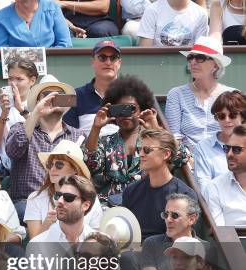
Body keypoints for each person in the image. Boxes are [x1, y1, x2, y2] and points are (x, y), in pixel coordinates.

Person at [84, 75, 190, 204]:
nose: (126, 115)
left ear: (141, 109)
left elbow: (182, 156)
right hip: (111, 207)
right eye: (120, 109)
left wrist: (156, 129)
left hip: (148, 203)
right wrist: (96, 128)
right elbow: (90, 165)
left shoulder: (155, 141)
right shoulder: (105, 142)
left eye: (131, 108)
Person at [6, 76, 86, 222]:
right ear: (37, 102)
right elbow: (13, 151)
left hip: (66, 201)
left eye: (58, 95)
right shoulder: (20, 128)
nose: (53, 98)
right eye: (47, 95)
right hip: (27, 202)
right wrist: (36, 113)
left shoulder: (78, 136)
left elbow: (83, 176)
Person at [122, 129, 197, 240]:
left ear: (166, 154)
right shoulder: (131, 191)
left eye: (147, 150)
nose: (141, 154)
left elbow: (183, 238)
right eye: (139, 149)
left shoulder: (185, 194)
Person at [165, 36, 234, 151]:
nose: (193, 62)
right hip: (188, 163)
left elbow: (238, 135)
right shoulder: (176, 94)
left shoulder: (231, 94)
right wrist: (188, 163)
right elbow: (174, 138)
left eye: (200, 58)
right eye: (191, 57)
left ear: (216, 65)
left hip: (225, 160)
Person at [25, 140, 102, 238]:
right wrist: (47, 223)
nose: (52, 169)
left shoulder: (91, 200)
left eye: (59, 165)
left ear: (75, 169)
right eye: (50, 164)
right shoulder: (35, 198)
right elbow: (34, 246)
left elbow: (96, 241)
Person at [0, 57, 38, 175]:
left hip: (33, 165)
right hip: (5, 167)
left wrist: (21, 109)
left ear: (32, 80)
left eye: (19, 79)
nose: (13, 84)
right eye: (10, 78)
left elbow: (42, 135)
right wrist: (4, 113)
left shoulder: (39, 103)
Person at [63, 40, 121, 135]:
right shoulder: (75, 96)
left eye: (113, 58)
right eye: (102, 57)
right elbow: (68, 137)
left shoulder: (132, 95)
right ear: (93, 62)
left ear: (119, 63)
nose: (108, 62)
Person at [141, 194, 203, 270]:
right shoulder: (152, 244)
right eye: (166, 215)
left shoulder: (206, 248)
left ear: (192, 219)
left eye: (175, 215)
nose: (168, 220)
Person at [193, 90, 245, 189]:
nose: (227, 120)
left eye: (232, 115)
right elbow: (204, 188)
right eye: (221, 116)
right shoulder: (203, 147)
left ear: (242, 116)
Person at [30, 175, 97, 243]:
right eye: (58, 195)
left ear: (85, 205)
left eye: (68, 197)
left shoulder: (100, 244)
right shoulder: (40, 243)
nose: (60, 201)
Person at [204, 125, 246, 226]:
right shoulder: (214, 188)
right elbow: (221, 235)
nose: (229, 154)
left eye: (236, 149)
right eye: (227, 148)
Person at [0, 0, 71, 47]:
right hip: (17, 71)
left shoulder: (53, 8)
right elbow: (1, 51)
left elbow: (65, 44)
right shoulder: (1, 16)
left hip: (52, 67)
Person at [137, 0, 208, 47]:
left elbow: (199, 53)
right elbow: (146, 52)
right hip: (158, 65)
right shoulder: (151, 10)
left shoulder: (201, 14)